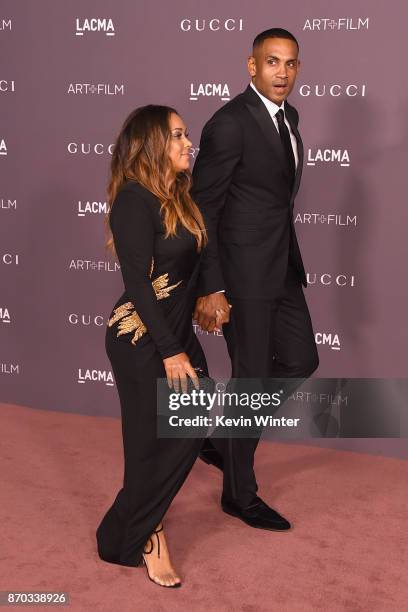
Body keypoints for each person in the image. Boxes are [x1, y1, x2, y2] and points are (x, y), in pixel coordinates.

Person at [192, 28, 319, 530]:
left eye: (290, 64)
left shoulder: (290, 116)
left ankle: (225, 443)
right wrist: (211, 285)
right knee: (249, 381)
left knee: (301, 358)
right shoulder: (228, 124)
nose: (282, 72)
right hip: (241, 277)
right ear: (251, 67)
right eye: (272, 63)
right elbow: (203, 208)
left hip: (281, 267)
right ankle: (239, 495)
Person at [96, 105, 209, 588]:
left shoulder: (180, 196)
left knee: (197, 418)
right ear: (151, 145)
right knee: (146, 443)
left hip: (175, 332)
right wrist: (170, 349)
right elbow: (138, 286)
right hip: (141, 337)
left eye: (187, 134)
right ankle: (145, 536)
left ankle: (121, 526)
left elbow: (196, 264)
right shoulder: (133, 201)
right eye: (178, 135)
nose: (189, 142)